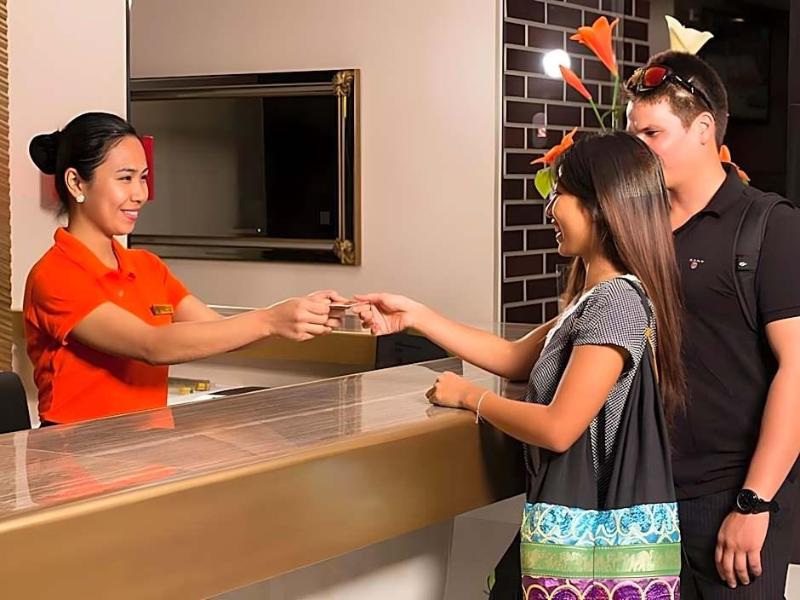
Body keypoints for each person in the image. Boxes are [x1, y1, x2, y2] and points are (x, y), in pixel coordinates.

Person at [354, 131, 685, 598]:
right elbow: (512, 358)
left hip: (587, 536)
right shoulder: (596, 299)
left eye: (560, 194)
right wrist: (415, 316)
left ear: (600, 205)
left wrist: (470, 397)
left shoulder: (616, 303)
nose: (550, 209)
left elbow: (558, 427)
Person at [24, 112, 346, 426]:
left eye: (143, 178)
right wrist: (271, 319)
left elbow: (219, 331)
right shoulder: (55, 276)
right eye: (125, 178)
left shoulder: (147, 267)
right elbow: (151, 345)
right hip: (77, 452)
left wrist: (307, 314)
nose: (141, 194)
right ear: (76, 182)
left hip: (149, 448)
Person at [626, 50, 800, 598]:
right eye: (634, 135)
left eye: (653, 133)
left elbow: (798, 370)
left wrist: (754, 502)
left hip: (732, 499)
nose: (639, 149)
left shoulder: (768, 225)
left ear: (703, 129)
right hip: (642, 499)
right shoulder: (634, 228)